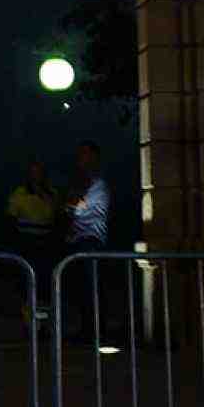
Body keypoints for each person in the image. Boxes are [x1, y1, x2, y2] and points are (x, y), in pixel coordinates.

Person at [61, 140, 111, 344]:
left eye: (85, 155)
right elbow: (70, 207)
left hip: (91, 242)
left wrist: (73, 204)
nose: (81, 159)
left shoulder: (98, 184)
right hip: (80, 241)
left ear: (94, 158)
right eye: (80, 154)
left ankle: (95, 331)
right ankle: (88, 329)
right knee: (84, 288)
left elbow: (76, 208)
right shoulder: (84, 183)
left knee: (92, 287)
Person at [6, 159, 59, 325]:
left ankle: (43, 324)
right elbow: (10, 219)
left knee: (44, 285)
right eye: (33, 172)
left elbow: (57, 217)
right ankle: (30, 324)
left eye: (39, 172)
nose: (36, 175)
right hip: (27, 243)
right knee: (27, 284)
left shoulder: (52, 193)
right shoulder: (19, 193)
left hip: (46, 244)